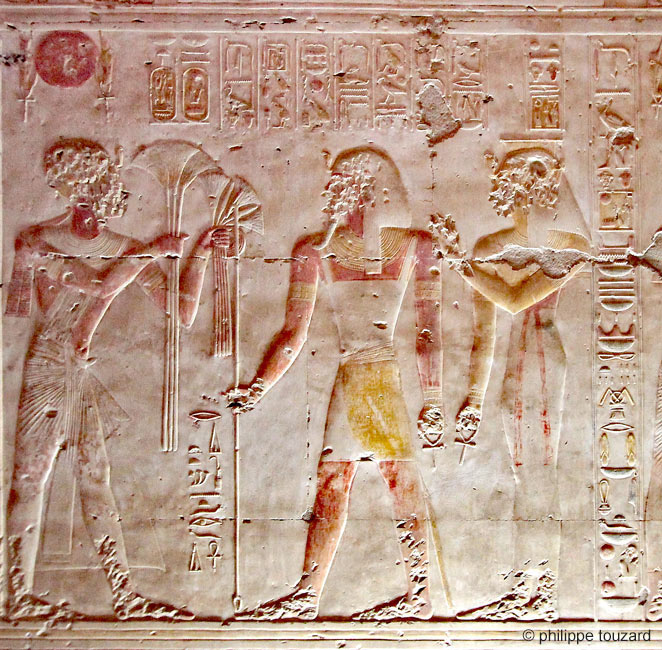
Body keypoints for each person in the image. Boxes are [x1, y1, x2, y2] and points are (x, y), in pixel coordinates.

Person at [227, 146, 445, 620]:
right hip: (353, 376)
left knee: (399, 479)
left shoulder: (416, 246)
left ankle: (419, 595)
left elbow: (427, 333)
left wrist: (433, 399)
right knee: (334, 481)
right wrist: (258, 387)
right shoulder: (314, 251)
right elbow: (293, 334)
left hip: (379, 375)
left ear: (369, 191)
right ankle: (308, 595)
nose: (333, 194)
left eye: (342, 184)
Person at [5, 138, 217, 620]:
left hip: (81, 371)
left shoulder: (123, 248)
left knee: (94, 477)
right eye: (86, 185)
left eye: (100, 184)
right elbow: (96, 286)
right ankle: (16, 595)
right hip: (49, 365)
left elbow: (181, 312)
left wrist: (200, 254)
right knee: (31, 475)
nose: (94, 195)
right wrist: (150, 252)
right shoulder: (36, 242)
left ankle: (123, 595)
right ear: (69, 188)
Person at [449, 148, 590, 620]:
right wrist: (473, 398)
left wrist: (466, 270)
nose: (508, 195)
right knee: (519, 472)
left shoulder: (569, 244)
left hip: (543, 360)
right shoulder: (490, 246)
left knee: (539, 473)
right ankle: (525, 587)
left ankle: (542, 589)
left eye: (518, 184)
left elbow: (515, 300)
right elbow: (484, 332)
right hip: (517, 364)